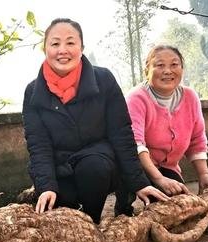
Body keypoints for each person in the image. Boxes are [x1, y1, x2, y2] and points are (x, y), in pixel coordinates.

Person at [22, 18, 169, 224]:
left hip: (98, 162)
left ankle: (93, 221)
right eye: (55, 43)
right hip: (59, 165)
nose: (62, 50)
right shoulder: (33, 92)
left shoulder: (104, 80)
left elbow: (122, 133)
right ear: (45, 49)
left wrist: (138, 182)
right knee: (61, 208)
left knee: (94, 169)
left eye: (70, 43)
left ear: (81, 47)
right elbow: (38, 144)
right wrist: (46, 186)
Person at [125, 45, 208, 202]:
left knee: (180, 204)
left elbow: (197, 140)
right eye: (159, 65)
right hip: (136, 166)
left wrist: (204, 175)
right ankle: (124, 204)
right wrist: (159, 179)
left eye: (174, 64)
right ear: (147, 69)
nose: (167, 71)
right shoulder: (136, 98)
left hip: (167, 167)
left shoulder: (190, 97)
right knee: (141, 191)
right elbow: (135, 145)